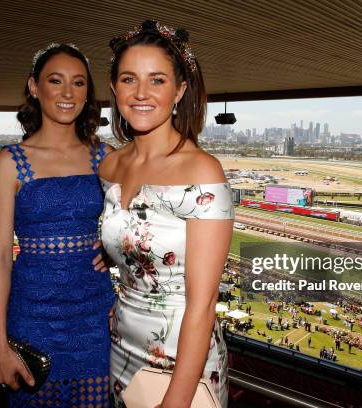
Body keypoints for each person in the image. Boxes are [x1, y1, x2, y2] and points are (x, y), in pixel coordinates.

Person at [100, 20, 234, 407]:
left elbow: (203, 303)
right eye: (129, 79)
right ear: (114, 89)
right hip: (121, 343)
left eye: (157, 80)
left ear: (180, 90)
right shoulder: (109, 167)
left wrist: (175, 401)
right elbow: (127, 240)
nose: (141, 93)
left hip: (183, 360)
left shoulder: (203, 172)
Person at [0, 43, 113, 407]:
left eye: (78, 83)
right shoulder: (10, 162)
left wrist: (116, 250)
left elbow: (148, 218)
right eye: (55, 81)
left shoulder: (104, 157)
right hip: (32, 318)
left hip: (95, 317)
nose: (67, 93)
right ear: (33, 86)